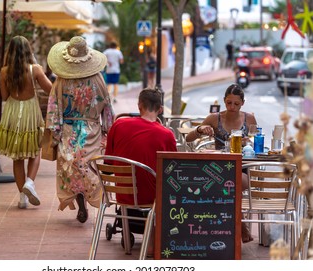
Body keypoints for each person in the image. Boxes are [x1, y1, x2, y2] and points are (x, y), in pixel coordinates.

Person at [46, 36, 115, 223]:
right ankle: (88, 199)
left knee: (72, 169)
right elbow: (107, 106)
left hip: (69, 131)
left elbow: (54, 107)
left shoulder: (61, 81)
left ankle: (80, 202)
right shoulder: (98, 79)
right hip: (91, 130)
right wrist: (108, 129)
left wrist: (55, 131)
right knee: (89, 168)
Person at [185, 83, 257, 243]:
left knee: (234, 183)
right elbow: (188, 139)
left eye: (236, 104)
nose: (232, 107)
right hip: (218, 168)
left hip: (242, 167)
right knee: (228, 184)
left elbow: (256, 143)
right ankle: (239, 226)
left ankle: (234, 225)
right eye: (229, 103)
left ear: (243, 103)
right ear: (224, 101)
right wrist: (200, 129)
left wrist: (248, 142)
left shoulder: (249, 118)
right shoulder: (214, 118)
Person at [0, 35, 52, 209]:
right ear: (28, 50)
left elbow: (4, 96)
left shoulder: (5, 71)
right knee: (35, 151)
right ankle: (29, 182)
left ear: (10, 52)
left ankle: (22, 197)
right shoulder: (35, 69)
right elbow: (50, 89)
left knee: (17, 157)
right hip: (30, 112)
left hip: (12, 112)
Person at [104, 88, 177, 205]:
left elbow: (107, 168)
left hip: (122, 197)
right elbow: (172, 171)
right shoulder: (167, 135)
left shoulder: (119, 124)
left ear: (139, 106)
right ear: (160, 109)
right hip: (152, 200)